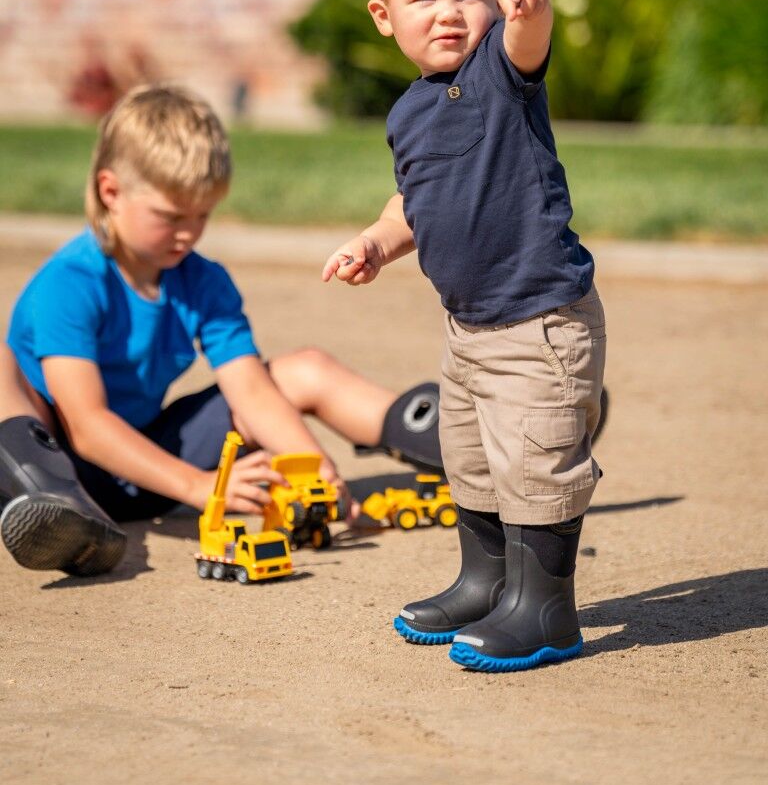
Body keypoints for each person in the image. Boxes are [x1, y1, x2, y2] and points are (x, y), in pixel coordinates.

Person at [323, 0, 607, 672]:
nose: (450, 13)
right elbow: (413, 200)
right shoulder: (408, 112)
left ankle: (545, 606)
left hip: (540, 318)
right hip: (468, 327)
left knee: (536, 461)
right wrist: (380, 242)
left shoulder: (498, 73)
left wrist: (526, 10)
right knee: (473, 457)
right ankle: (486, 582)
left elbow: (530, 45)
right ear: (385, 16)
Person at [0, 85, 441, 577]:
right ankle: (65, 519)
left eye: (202, 215)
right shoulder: (71, 284)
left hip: (148, 459)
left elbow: (250, 388)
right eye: (171, 217)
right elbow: (88, 427)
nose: (188, 233)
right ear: (111, 191)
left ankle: (458, 445)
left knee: (303, 370)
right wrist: (199, 486)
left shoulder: (200, 278)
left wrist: (312, 474)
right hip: (63, 465)